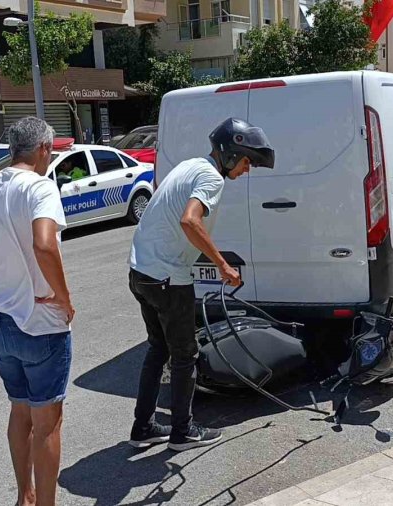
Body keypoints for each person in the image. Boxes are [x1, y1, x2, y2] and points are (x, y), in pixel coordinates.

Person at [127, 118, 274, 452]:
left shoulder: (191, 165)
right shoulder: (211, 177)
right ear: (231, 153)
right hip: (167, 277)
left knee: (158, 348)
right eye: (247, 161)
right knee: (185, 355)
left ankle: (144, 426)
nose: (248, 169)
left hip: (141, 271)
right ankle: (182, 431)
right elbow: (190, 220)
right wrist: (222, 264)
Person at [0, 117, 75, 506]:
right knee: (48, 425)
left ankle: (24, 495)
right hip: (41, 324)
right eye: (51, 150)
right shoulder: (41, 187)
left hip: (2, 323)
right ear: (42, 149)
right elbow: (45, 245)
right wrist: (64, 297)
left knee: (19, 412)